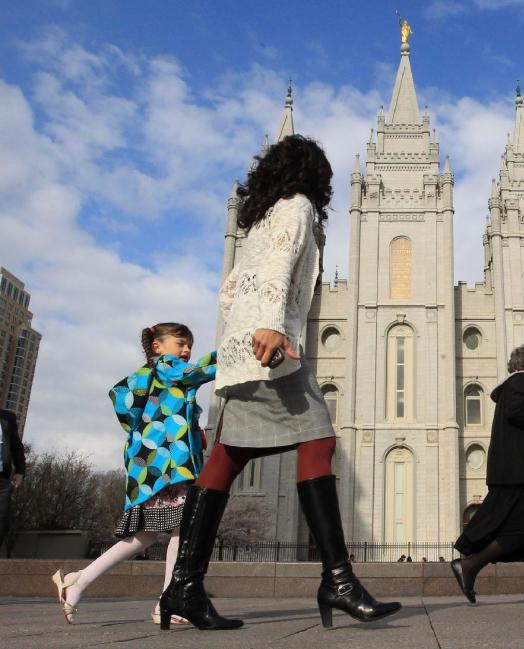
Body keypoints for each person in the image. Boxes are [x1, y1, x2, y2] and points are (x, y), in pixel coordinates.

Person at [159, 135, 399, 631]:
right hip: (269, 348)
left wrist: (244, 332)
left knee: (227, 457)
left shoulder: (261, 215)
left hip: (243, 349)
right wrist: (270, 322)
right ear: (311, 174)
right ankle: (338, 580)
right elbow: (280, 264)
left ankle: (184, 586)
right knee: (318, 438)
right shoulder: (297, 207)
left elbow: (229, 292)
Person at [51, 323, 214, 625]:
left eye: (189, 344)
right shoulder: (167, 368)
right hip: (167, 465)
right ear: (158, 346)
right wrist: (237, 352)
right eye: (180, 342)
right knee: (183, 527)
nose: (187, 349)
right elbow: (199, 372)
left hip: (154, 465)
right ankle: (169, 603)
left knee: (149, 534)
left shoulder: (157, 377)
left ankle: (78, 581)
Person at [452, 345, 524, 606]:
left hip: (516, 471)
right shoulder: (521, 382)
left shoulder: (517, 384)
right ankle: (470, 564)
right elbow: (516, 413)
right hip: (518, 472)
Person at [0, 408, 25, 553]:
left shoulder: (7, 418)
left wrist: (20, 470)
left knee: (2, 520)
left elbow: (16, 447)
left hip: (2, 480)